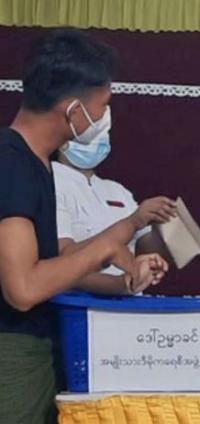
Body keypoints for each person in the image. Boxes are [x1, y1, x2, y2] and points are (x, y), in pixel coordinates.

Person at [0, 29, 168, 422]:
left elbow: (53, 265)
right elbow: (22, 289)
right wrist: (105, 248)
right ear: (75, 111)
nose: (103, 118)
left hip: (36, 348)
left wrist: (119, 273)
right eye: (102, 106)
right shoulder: (12, 165)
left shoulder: (34, 162)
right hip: (13, 358)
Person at [54, 132, 178, 293]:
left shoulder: (117, 190)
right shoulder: (50, 183)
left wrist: (163, 221)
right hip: (80, 304)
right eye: (92, 132)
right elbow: (60, 263)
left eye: (103, 132)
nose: (99, 138)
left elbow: (149, 249)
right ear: (62, 141)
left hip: (131, 302)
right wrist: (134, 222)